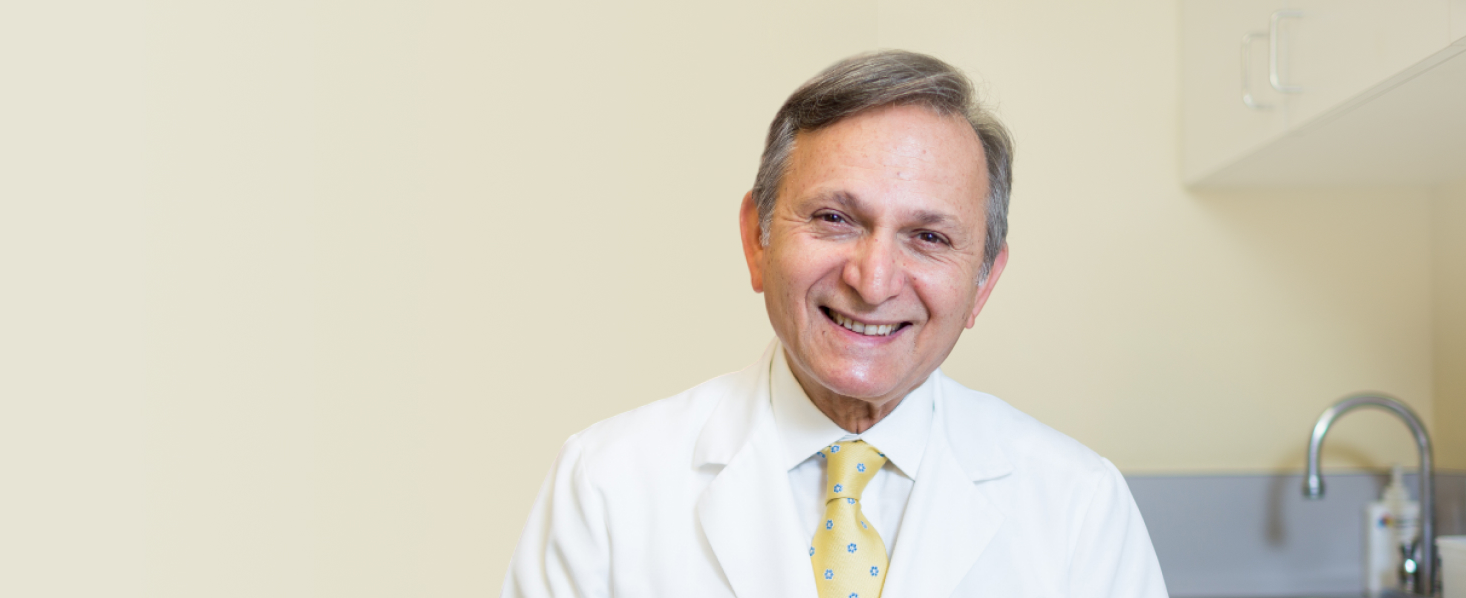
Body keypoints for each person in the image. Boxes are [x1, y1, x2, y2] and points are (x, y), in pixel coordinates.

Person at [501, 51, 1168, 598]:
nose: (872, 281)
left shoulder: (1078, 504)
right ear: (755, 239)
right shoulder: (609, 481)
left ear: (982, 284)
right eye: (833, 219)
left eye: (929, 237)